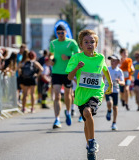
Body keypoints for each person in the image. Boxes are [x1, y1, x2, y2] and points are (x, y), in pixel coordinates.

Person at [66, 29, 112, 158]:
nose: (89, 44)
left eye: (92, 42)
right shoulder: (76, 58)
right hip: (81, 94)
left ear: (96, 44)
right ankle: (89, 145)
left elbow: (105, 69)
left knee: (87, 112)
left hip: (96, 92)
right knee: (86, 120)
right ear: (81, 45)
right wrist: (77, 68)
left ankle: (92, 142)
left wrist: (110, 84)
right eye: (86, 42)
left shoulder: (100, 58)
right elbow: (69, 77)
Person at [50, 24, 80, 129]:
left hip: (68, 72)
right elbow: (51, 54)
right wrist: (51, 60)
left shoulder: (72, 42)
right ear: (56, 33)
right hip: (56, 72)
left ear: (66, 32)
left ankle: (68, 111)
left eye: (62, 33)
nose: (60, 35)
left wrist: (67, 57)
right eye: (58, 33)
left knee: (68, 94)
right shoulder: (53, 43)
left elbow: (78, 55)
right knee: (57, 95)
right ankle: (57, 119)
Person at [105, 55, 124, 130]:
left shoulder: (119, 71)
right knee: (109, 103)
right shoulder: (107, 69)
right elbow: (102, 77)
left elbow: (123, 82)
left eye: (114, 60)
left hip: (115, 90)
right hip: (107, 89)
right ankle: (109, 111)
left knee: (115, 107)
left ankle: (114, 123)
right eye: (111, 60)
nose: (112, 62)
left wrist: (119, 81)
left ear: (118, 62)